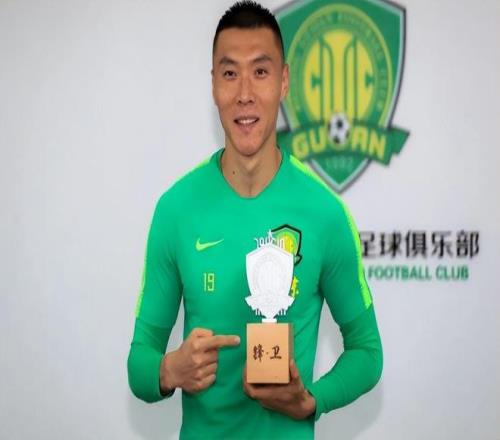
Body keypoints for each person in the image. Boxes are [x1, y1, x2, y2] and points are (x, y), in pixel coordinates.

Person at [127, 1, 383, 438]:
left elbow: (367, 352)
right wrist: (170, 369)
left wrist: (312, 400)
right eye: (230, 73)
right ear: (213, 85)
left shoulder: (325, 213)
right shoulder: (176, 210)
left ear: (283, 82)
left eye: (260, 72)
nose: (244, 93)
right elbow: (139, 363)